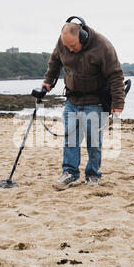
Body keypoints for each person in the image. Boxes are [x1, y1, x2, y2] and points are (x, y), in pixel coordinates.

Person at [42, 16, 125, 189]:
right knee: (70, 139)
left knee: (94, 142)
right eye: (67, 46)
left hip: (95, 101)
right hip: (72, 99)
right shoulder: (63, 43)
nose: (70, 50)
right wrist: (48, 82)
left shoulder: (102, 46)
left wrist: (118, 104)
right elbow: (55, 61)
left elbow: (116, 76)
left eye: (73, 46)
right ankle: (70, 173)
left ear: (83, 36)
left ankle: (93, 175)